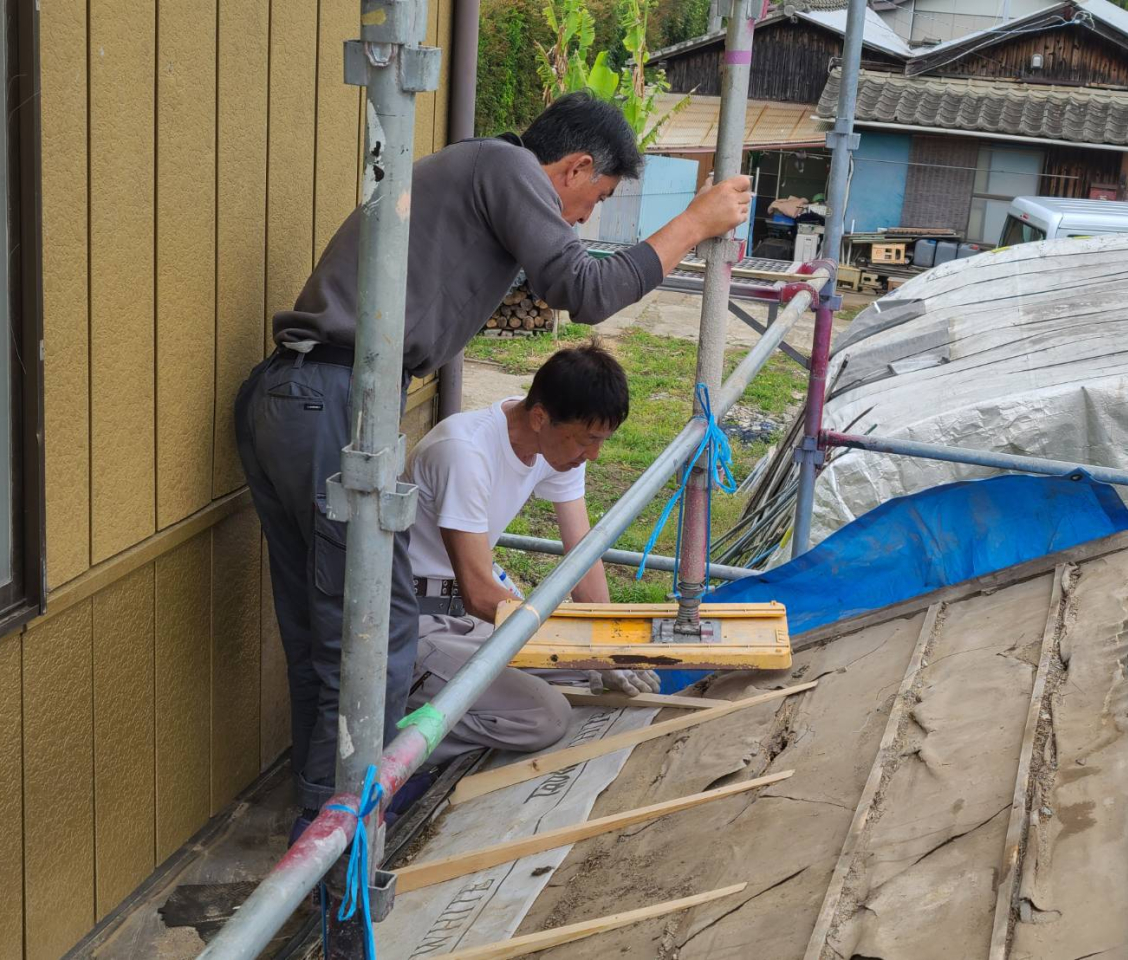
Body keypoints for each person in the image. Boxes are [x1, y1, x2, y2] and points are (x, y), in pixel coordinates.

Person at [234, 92, 750, 828]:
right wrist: (695, 225)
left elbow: (578, 544)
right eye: (592, 200)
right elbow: (586, 291)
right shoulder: (508, 168)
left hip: (296, 398)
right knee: (370, 636)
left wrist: (601, 639)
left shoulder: (480, 171)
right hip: (328, 399)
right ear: (574, 168)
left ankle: (322, 828)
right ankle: (345, 847)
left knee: (328, 635)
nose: (580, 222)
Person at [403, 342, 658, 766]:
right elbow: (482, 595)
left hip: (468, 617)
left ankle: (474, 709)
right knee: (545, 717)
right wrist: (580, 643)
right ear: (541, 416)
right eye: (587, 440)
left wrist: (608, 645)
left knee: (590, 673)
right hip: (417, 622)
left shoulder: (553, 447)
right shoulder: (464, 453)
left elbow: (584, 554)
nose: (592, 455)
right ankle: (393, 745)